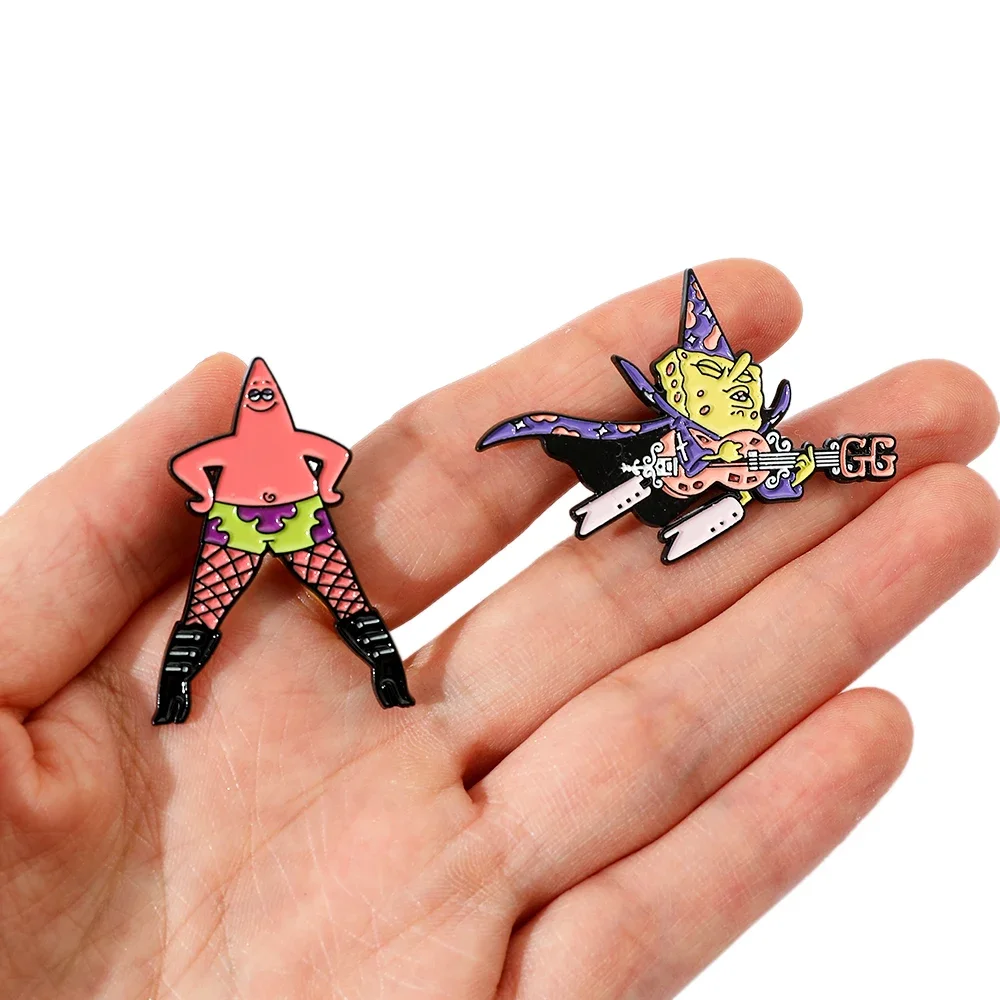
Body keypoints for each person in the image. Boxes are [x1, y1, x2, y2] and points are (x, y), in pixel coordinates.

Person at [0, 259, 996, 998]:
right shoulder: (254, 480)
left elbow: (313, 475)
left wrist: (784, 464)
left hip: (315, 530)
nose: (729, 393)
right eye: (712, 387)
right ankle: (201, 679)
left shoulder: (304, 471)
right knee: (239, 610)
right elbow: (211, 470)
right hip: (257, 535)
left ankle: (381, 676)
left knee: (351, 608)